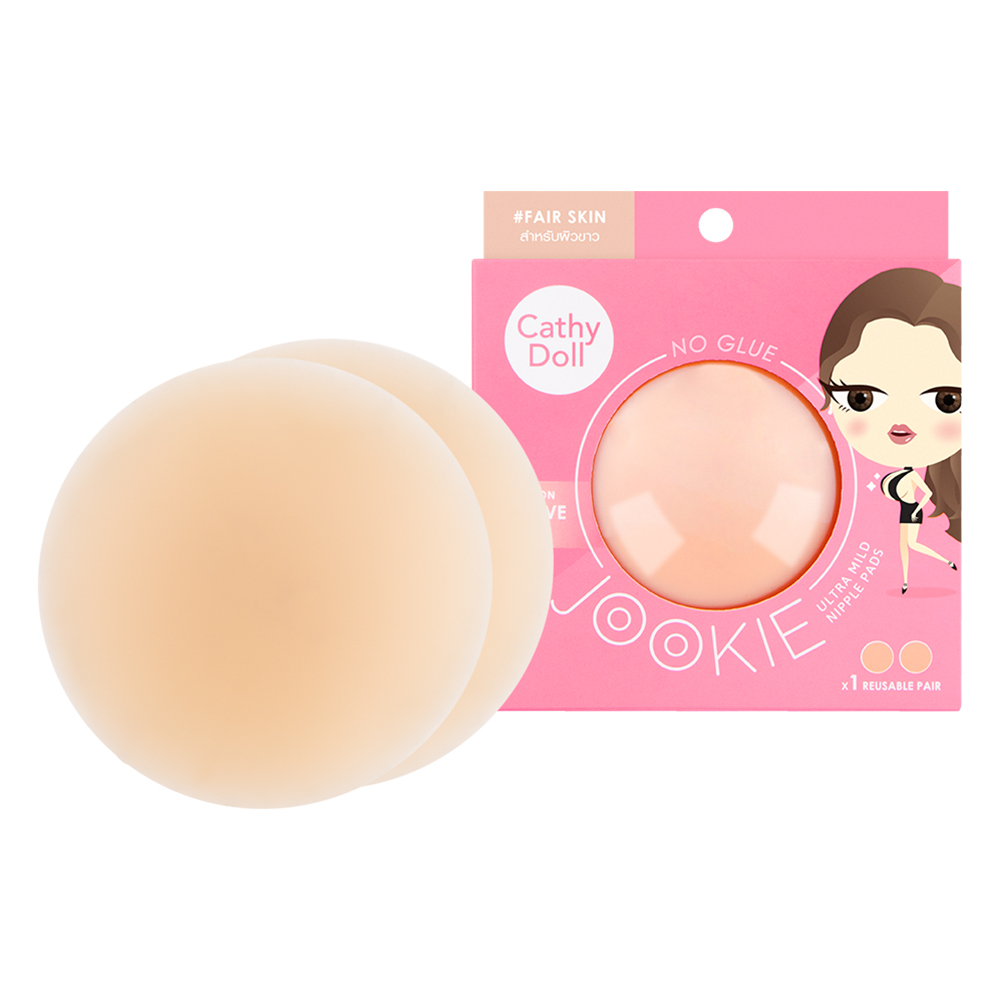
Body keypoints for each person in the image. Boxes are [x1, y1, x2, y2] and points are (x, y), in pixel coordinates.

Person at [818, 268, 961, 594]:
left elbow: (925, 494)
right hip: (901, 517)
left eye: (946, 400)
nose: (901, 419)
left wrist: (919, 506)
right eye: (861, 398)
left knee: (911, 546)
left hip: (912, 517)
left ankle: (944, 564)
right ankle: (908, 580)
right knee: (905, 548)